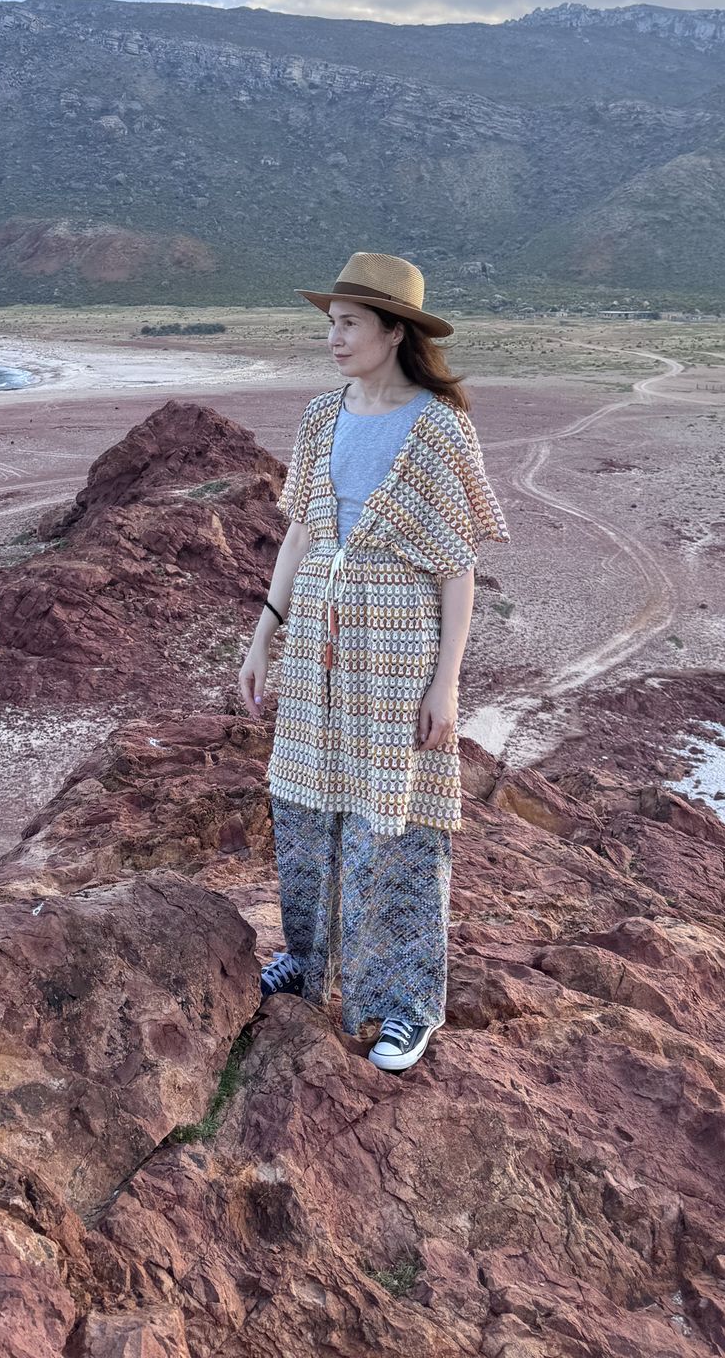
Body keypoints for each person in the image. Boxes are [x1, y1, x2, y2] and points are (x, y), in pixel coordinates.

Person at [239, 251, 511, 1073]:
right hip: (317, 649)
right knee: (305, 809)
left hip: (398, 652)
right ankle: (307, 961)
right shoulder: (321, 417)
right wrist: (264, 634)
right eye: (331, 323)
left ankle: (403, 1006)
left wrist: (446, 684)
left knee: (394, 826)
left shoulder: (438, 427)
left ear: (395, 332)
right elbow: (299, 531)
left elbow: (457, 568)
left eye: (350, 323)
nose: (334, 337)